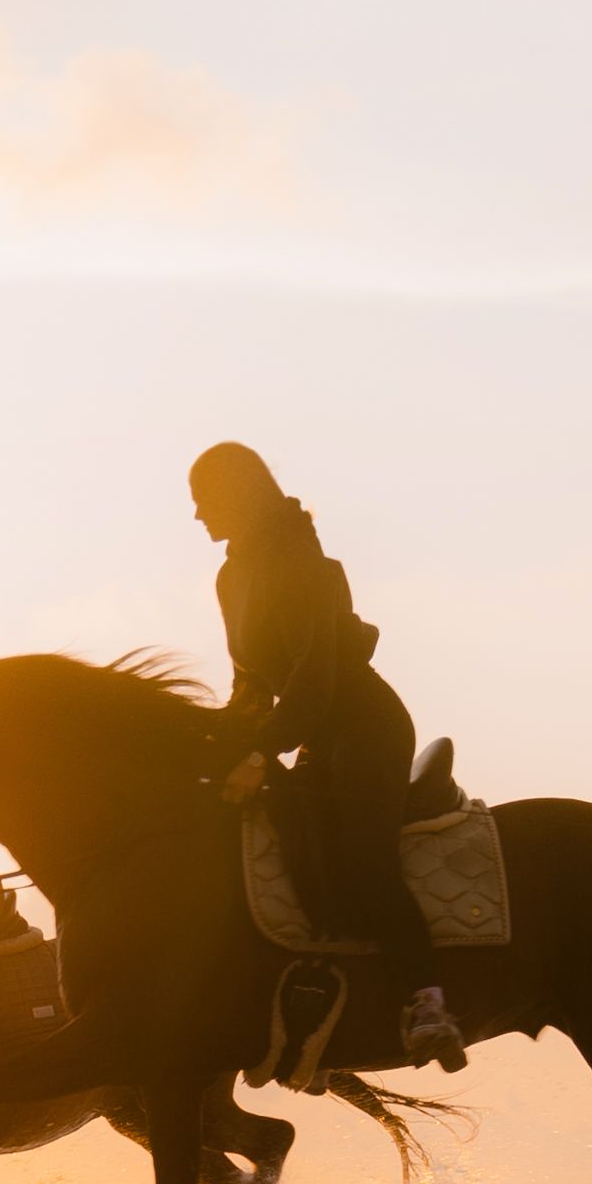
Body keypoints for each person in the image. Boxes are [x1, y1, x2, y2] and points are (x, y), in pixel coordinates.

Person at [187, 445, 464, 1064]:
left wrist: (266, 750)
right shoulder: (230, 578)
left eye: (204, 499)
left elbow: (317, 673)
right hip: (310, 730)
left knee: (365, 861)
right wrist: (226, 740)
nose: (198, 515)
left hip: (364, 725)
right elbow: (251, 681)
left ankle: (428, 1004)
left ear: (238, 492)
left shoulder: (302, 559)